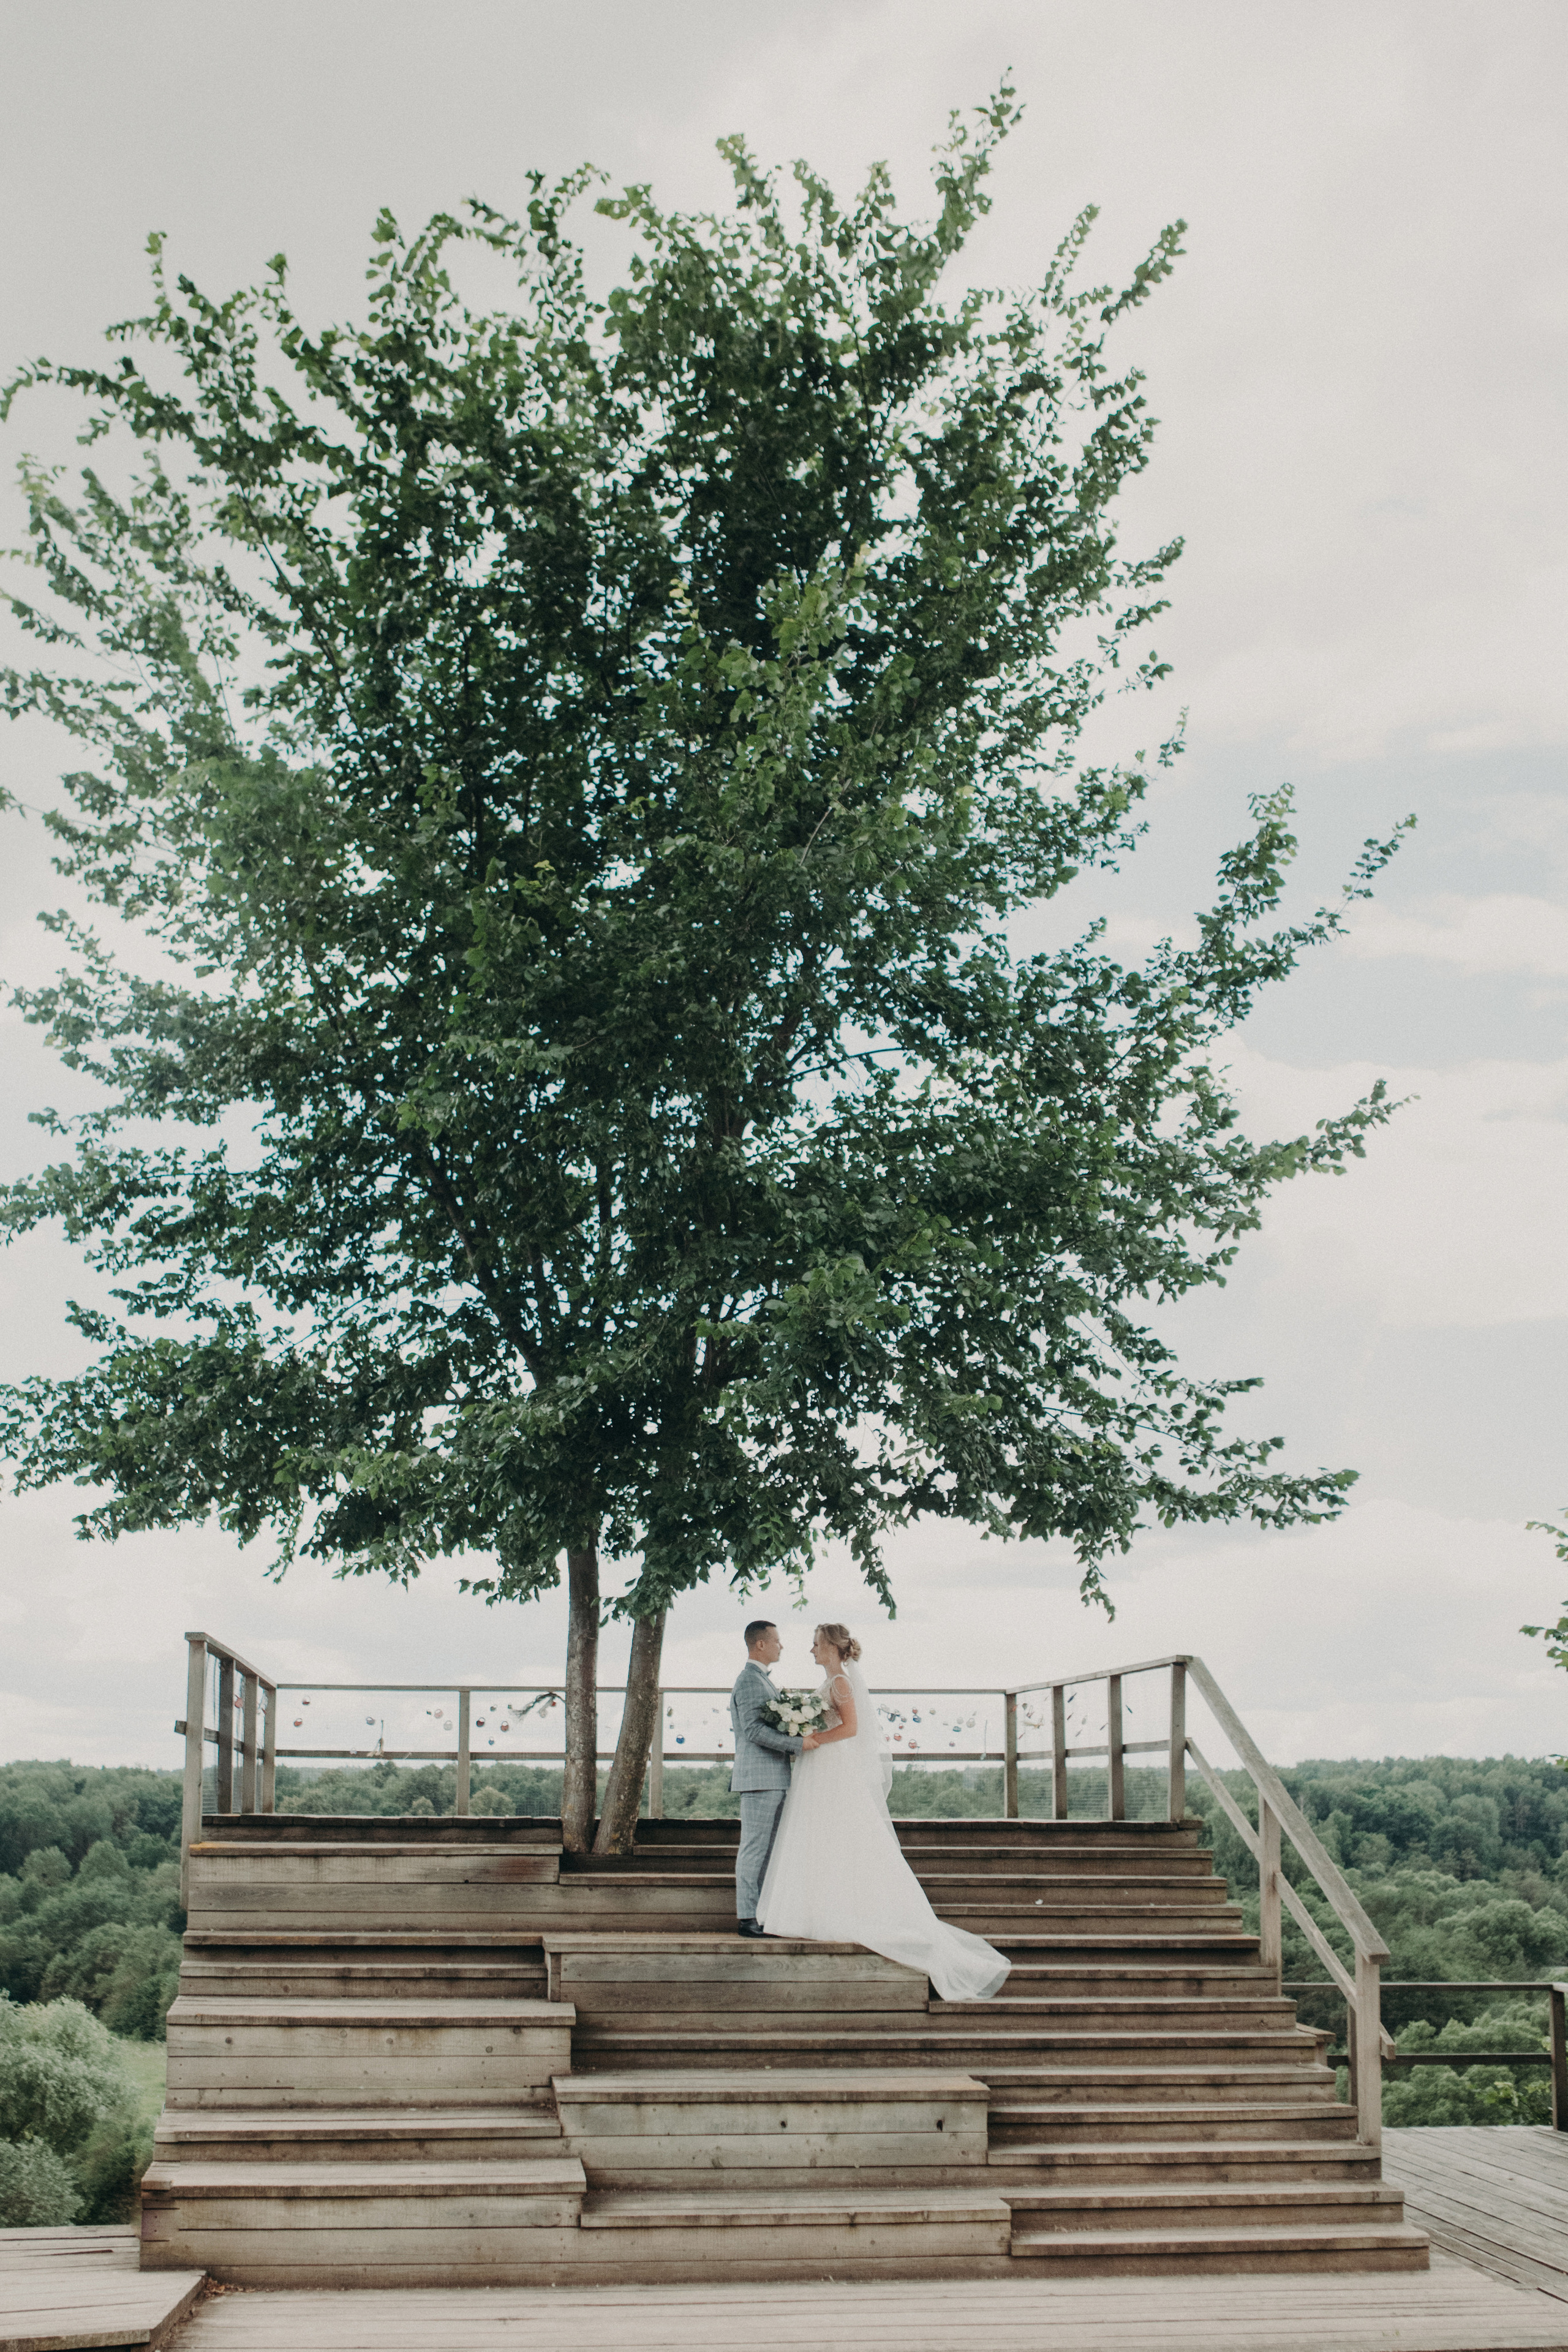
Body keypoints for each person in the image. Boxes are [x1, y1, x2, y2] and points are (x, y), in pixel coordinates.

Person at [756, 1622, 1011, 2001]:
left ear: (831, 1647)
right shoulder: (831, 1682)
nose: (810, 1650)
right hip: (820, 1766)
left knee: (836, 1834)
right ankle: (815, 1909)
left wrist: (810, 1739)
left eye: (815, 1644)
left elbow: (852, 1729)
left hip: (831, 1766)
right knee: (817, 1836)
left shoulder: (840, 1682)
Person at [728, 1619, 804, 1939]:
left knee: (770, 1850)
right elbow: (754, 1731)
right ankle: (747, 1917)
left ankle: (762, 1914)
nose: (781, 1646)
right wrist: (800, 1743)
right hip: (759, 1780)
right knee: (755, 1849)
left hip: (774, 1778)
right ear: (761, 1644)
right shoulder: (749, 1681)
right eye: (777, 1640)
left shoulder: (763, 1681)